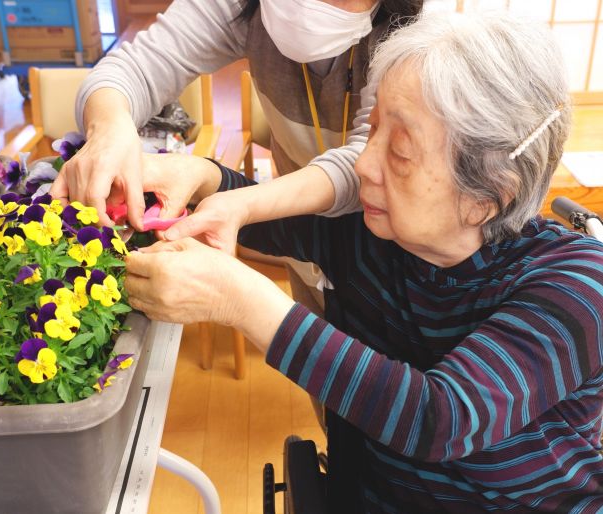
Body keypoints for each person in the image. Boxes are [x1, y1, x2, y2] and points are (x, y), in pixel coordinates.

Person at [124, 11, 603, 513]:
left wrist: (240, 300)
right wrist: (196, 176)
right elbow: (255, 212)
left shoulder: (575, 285)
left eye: (398, 151)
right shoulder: (376, 234)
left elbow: (438, 418)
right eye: (370, 133)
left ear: (488, 196)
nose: (364, 166)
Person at [51, 0, 425, 332]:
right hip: (301, 236)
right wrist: (110, 128)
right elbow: (132, 69)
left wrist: (233, 199)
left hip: (399, 271)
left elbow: (362, 162)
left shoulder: (417, 30)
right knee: (329, 399)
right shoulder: (244, 8)